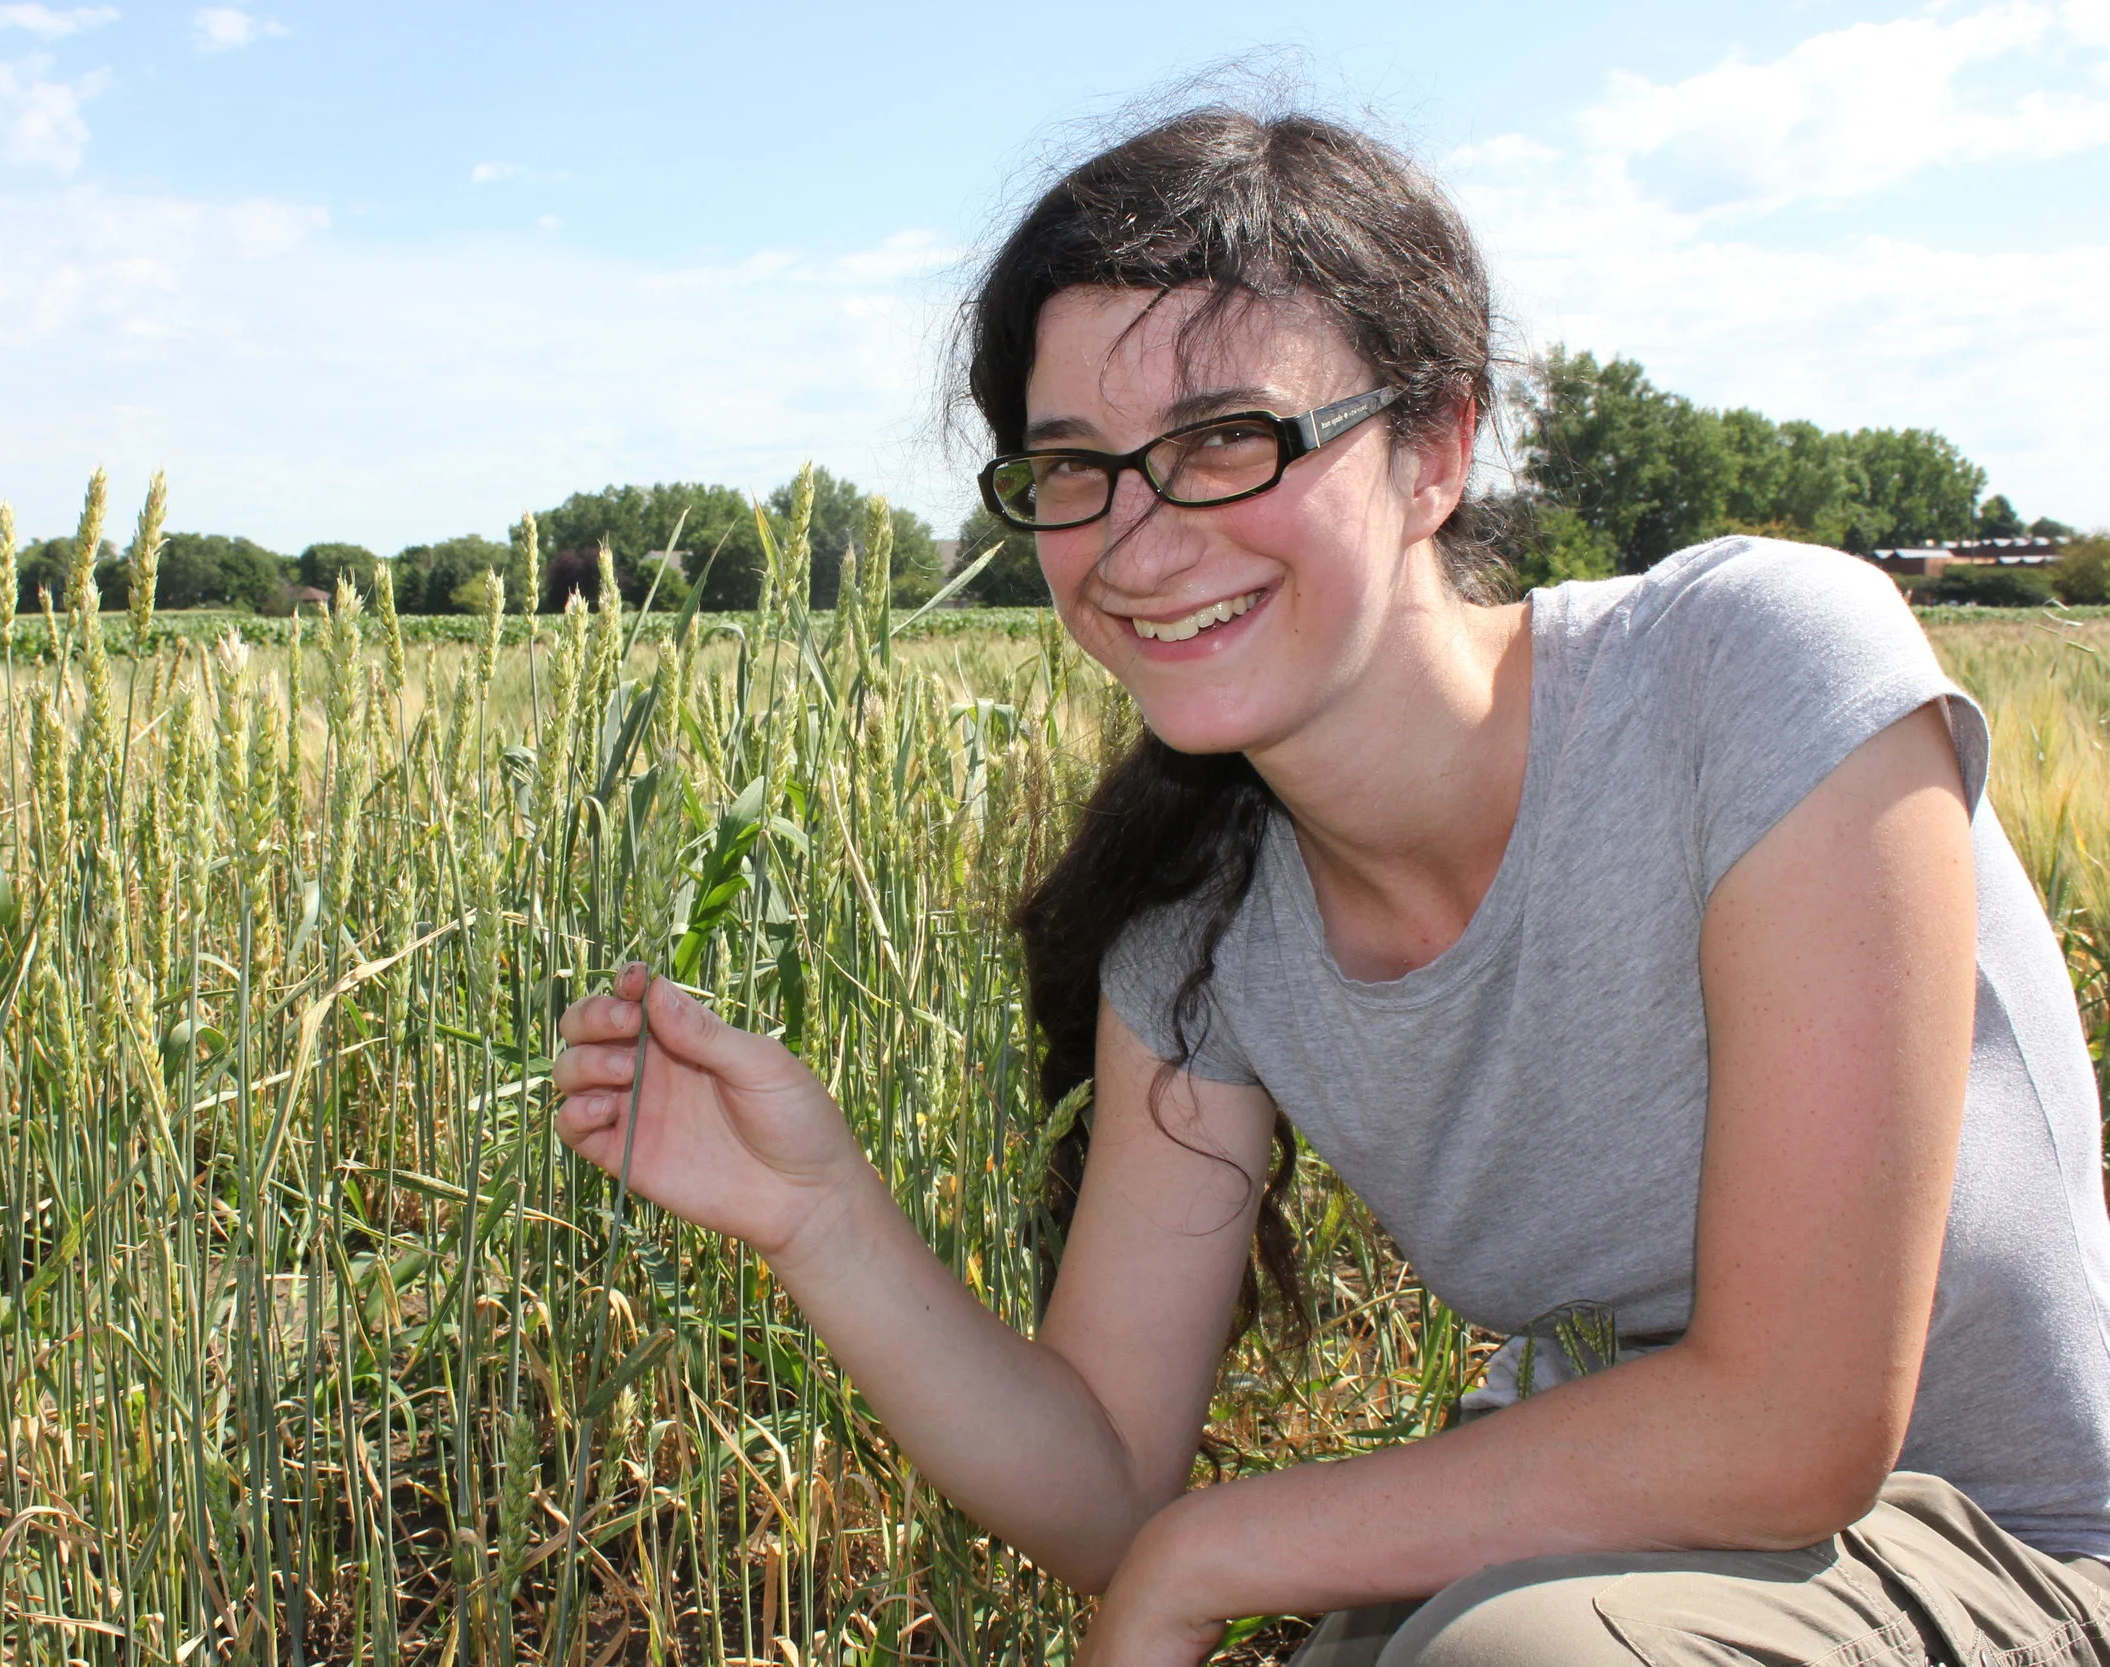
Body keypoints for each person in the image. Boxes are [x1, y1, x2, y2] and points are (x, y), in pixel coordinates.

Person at [551, 106, 2110, 1667]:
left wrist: (1208, 1555)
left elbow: (1796, 1428)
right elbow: (1103, 1477)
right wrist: (823, 1217)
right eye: (1072, 468)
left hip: (2021, 1551)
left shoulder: (1752, 673)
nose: (1140, 541)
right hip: (1601, 1550)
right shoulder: (1205, 936)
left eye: (1228, 437)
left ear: (1435, 445)